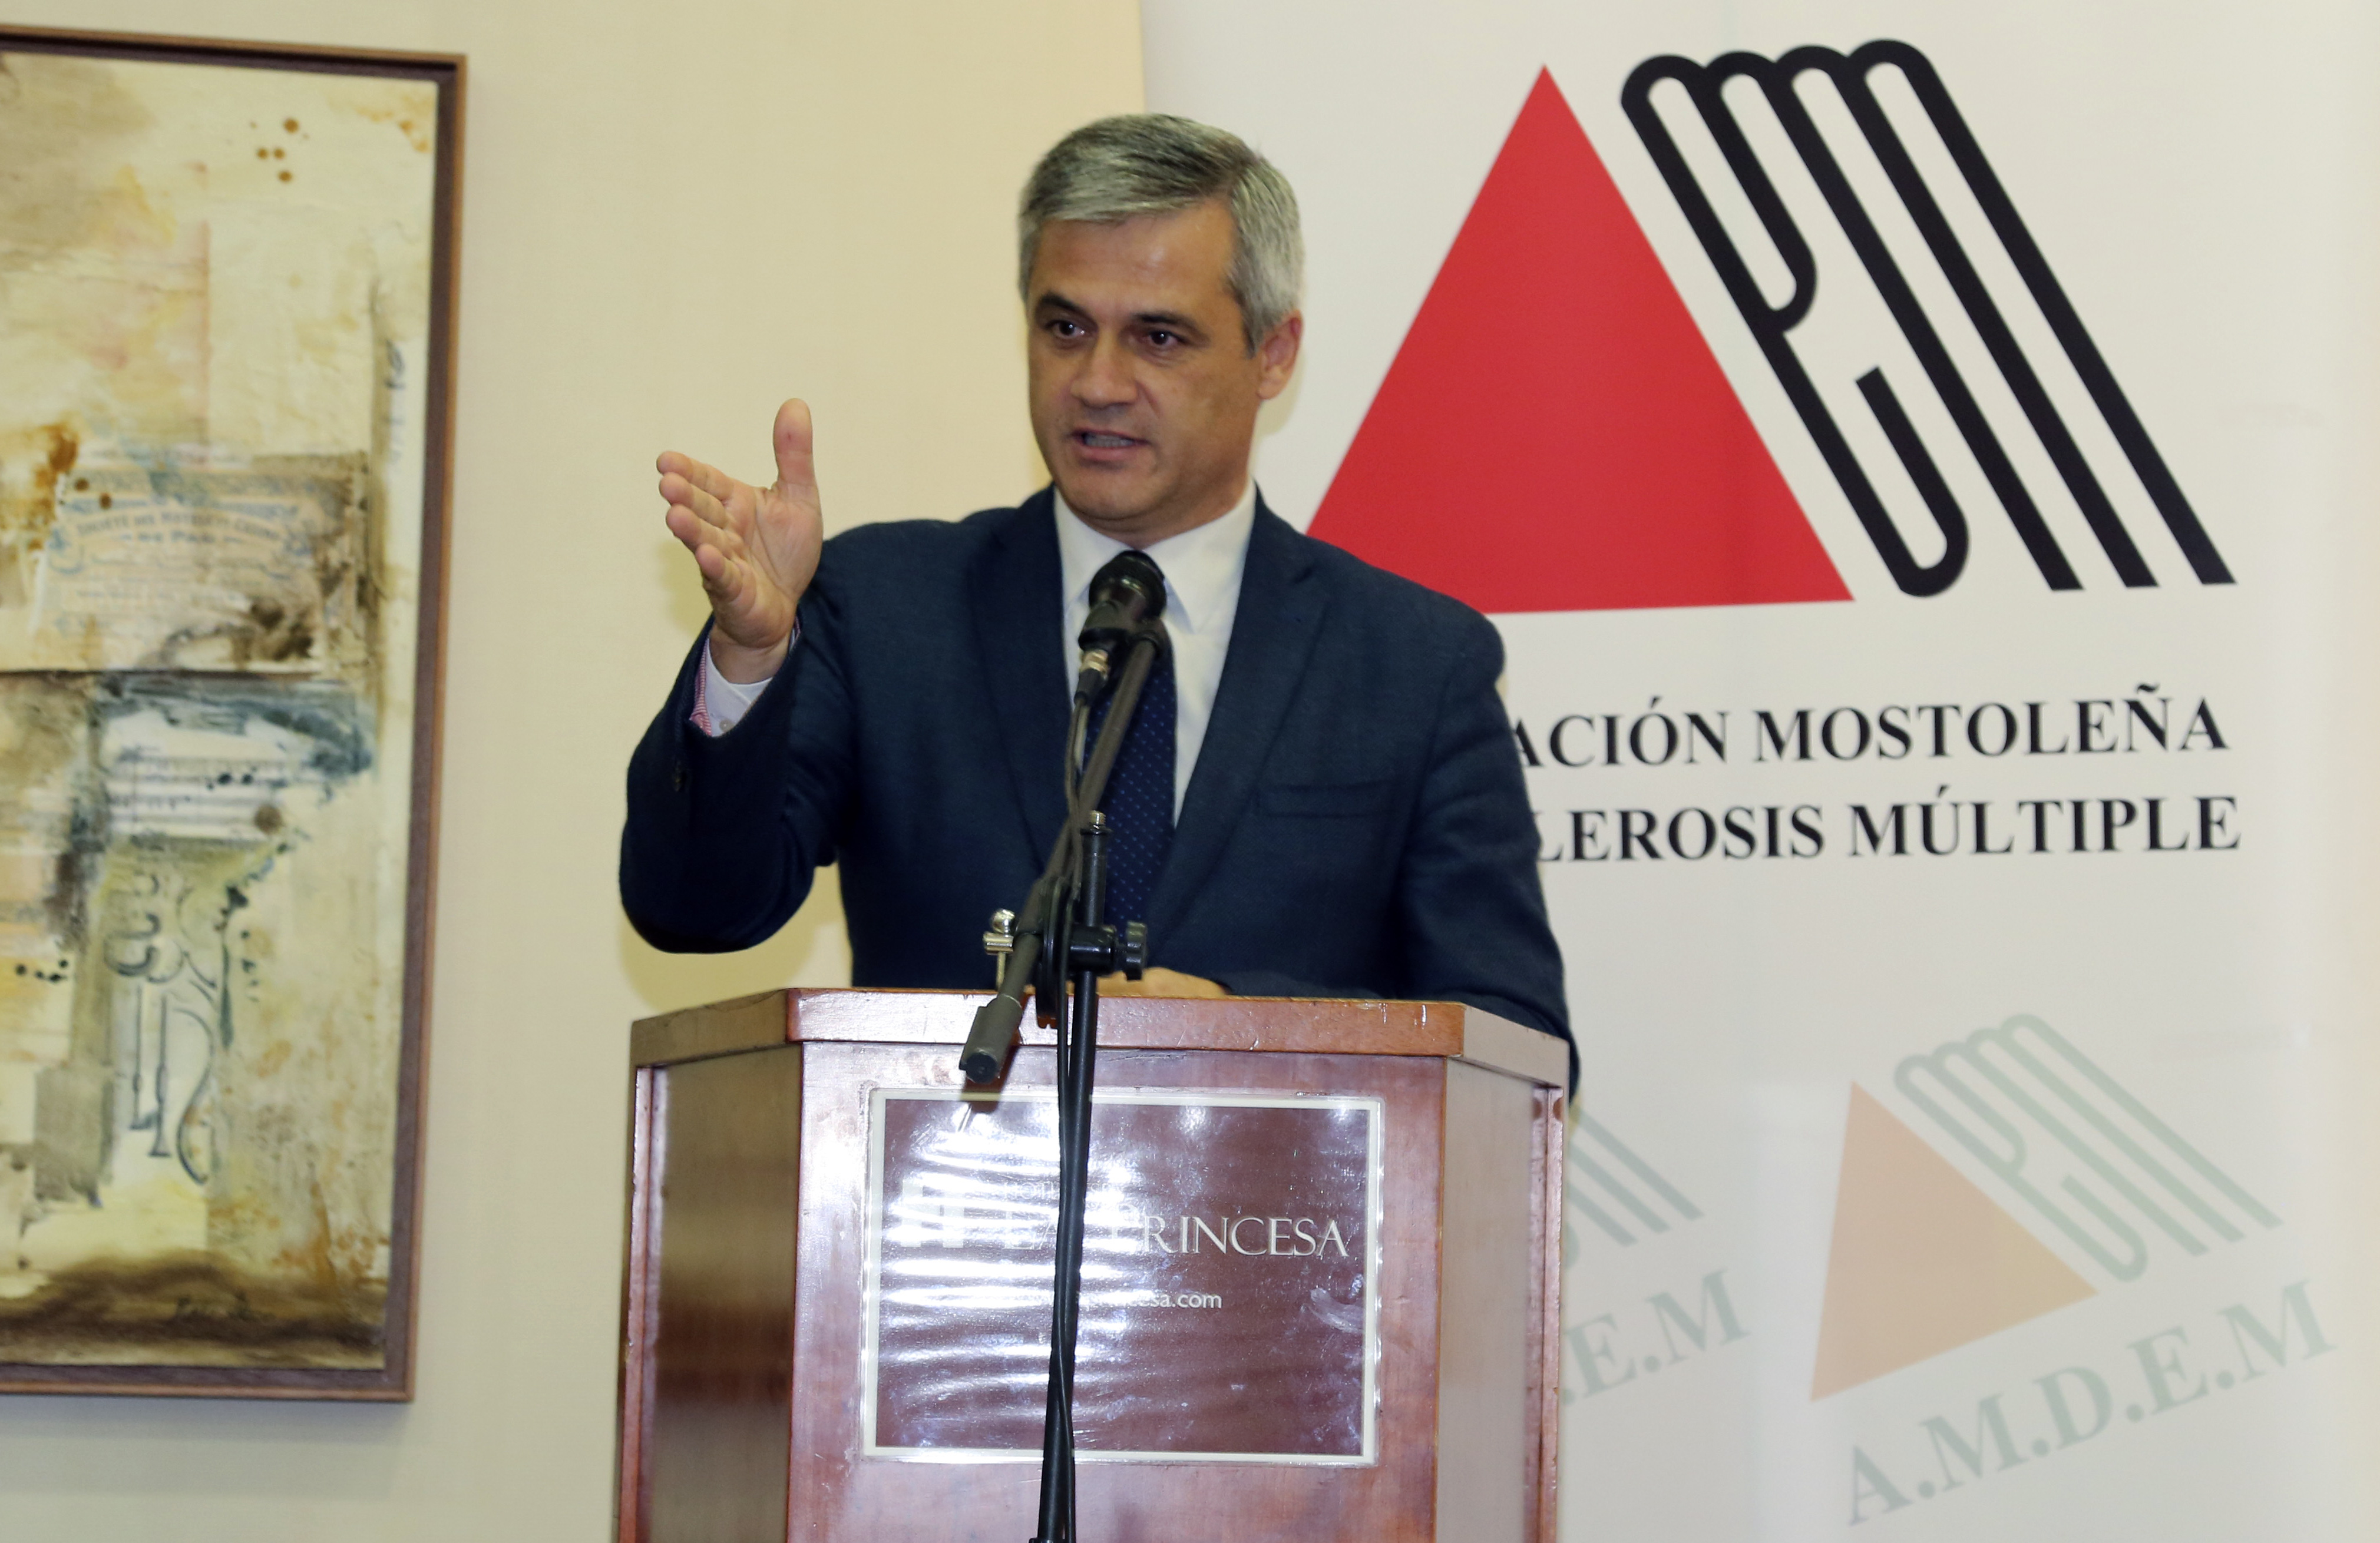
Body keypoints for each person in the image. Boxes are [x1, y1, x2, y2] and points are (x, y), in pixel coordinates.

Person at [621, 114, 1568, 1058]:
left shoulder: (1415, 664)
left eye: (1159, 337)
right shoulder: (883, 610)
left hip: (1279, 1165)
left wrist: (1246, 1030)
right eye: (1066, 328)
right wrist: (751, 658)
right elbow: (695, 908)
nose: (1098, 382)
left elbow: (1518, 1040)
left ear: (1273, 354)